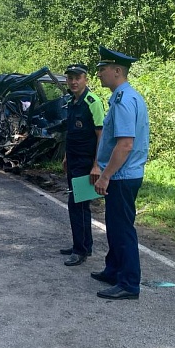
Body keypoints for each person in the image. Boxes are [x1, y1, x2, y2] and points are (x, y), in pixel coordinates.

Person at [91, 45, 149, 300]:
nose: (99, 74)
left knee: (122, 228)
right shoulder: (123, 97)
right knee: (114, 226)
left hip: (122, 177)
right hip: (121, 175)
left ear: (117, 71)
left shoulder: (125, 101)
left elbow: (125, 144)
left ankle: (128, 283)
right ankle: (113, 270)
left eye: (102, 70)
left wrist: (105, 176)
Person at [60, 63, 105, 266]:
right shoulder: (71, 102)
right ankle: (83, 244)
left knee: (77, 204)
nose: (74, 81)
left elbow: (100, 135)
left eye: (77, 77)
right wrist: (67, 157)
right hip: (74, 160)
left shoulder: (92, 101)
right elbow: (71, 133)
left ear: (86, 79)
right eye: (70, 78)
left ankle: (80, 250)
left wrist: (97, 165)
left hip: (87, 162)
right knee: (78, 204)